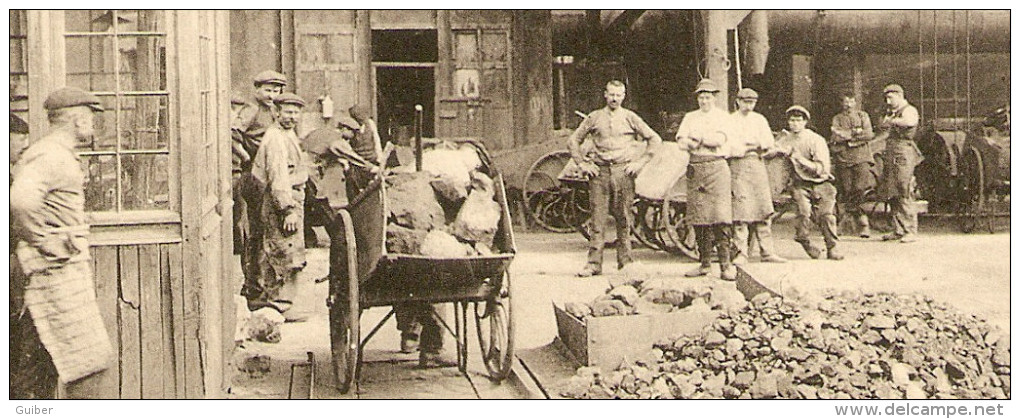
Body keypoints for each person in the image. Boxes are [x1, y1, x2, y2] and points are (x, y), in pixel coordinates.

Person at [10, 87, 115, 398]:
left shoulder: (57, 154)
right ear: (78, 120)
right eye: (91, 120)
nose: (93, 127)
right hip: (51, 272)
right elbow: (21, 201)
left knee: (51, 358)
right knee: (75, 361)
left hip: (60, 271)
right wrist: (45, 240)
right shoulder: (50, 155)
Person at [567, 80, 662, 277]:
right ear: (605, 94)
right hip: (599, 173)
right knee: (597, 219)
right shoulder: (594, 117)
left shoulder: (630, 117)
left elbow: (654, 139)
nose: (614, 98)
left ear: (624, 96)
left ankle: (625, 263)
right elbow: (573, 141)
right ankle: (594, 264)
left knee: (624, 218)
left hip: (623, 173)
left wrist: (640, 162)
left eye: (618, 95)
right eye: (611, 94)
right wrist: (583, 164)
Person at [244, 92, 310, 322]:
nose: (292, 117)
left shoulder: (286, 133)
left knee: (278, 249)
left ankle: (273, 301)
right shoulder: (275, 139)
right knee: (284, 251)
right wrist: (287, 210)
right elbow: (278, 177)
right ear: (276, 112)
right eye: (288, 112)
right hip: (281, 200)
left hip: (290, 196)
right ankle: (280, 304)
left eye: (296, 112)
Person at [234, 71, 287, 303]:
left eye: (276, 91)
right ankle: (253, 286)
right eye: (267, 90)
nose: (271, 94)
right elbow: (232, 133)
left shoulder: (274, 111)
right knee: (255, 232)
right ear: (257, 89)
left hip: (268, 175)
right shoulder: (252, 109)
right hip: (253, 177)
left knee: (267, 230)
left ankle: (263, 285)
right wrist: (246, 157)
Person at [676, 79, 736, 280]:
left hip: (717, 168)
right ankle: (704, 264)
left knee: (721, 217)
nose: (704, 101)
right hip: (696, 169)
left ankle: (725, 266)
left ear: (715, 98)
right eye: (701, 97)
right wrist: (696, 141)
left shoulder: (723, 117)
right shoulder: (690, 117)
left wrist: (698, 139)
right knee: (699, 218)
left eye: (708, 97)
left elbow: (718, 140)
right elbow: (681, 142)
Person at [768, 105, 844, 260]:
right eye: (792, 120)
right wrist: (773, 149)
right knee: (803, 213)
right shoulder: (785, 139)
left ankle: (832, 247)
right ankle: (805, 241)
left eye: (798, 120)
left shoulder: (815, 140)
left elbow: (821, 169)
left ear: (805, 122)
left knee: (826, 215)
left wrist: (798, 158)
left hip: (821, 183)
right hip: (800, 184)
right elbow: (770, 152)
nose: (794, 123)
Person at [728, 88, 787, 265]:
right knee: (741, 212)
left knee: (763, 210)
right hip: (738, 167)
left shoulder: (759, 120)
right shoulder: (730, 121)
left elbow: (767, 143)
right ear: (738, 101)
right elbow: (730, 147)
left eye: (752, 102)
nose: (749, 105)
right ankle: (741, 253)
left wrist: (756, 146)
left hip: (758, 166)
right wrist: (748, 147)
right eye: (745, 101)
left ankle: (767, 252)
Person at [875, 84, 922, 243]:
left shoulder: (909, 110)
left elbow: (909, 122)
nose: (888, 101)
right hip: (891, 151)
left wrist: (891, 120)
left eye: (891, 97)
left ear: (900, 95)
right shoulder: (892, 112)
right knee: (892, 190)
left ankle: (910, 230)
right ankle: (898, 229)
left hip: (903, 152)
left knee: (904, 188)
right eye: (886, 98)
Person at [829, 92, 876, 238]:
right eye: (845, 101)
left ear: (856, 102)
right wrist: (855, 133)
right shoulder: (837, 118)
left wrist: (848, 138)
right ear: (841, 103)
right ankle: (862, 224)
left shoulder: (863, 116)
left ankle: (853, 221)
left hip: (861, 158)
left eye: (851, 101)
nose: (848, 104)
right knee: (847, 190)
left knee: (860, 188)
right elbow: (835, 136)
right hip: (843, 159)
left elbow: (869, 134)